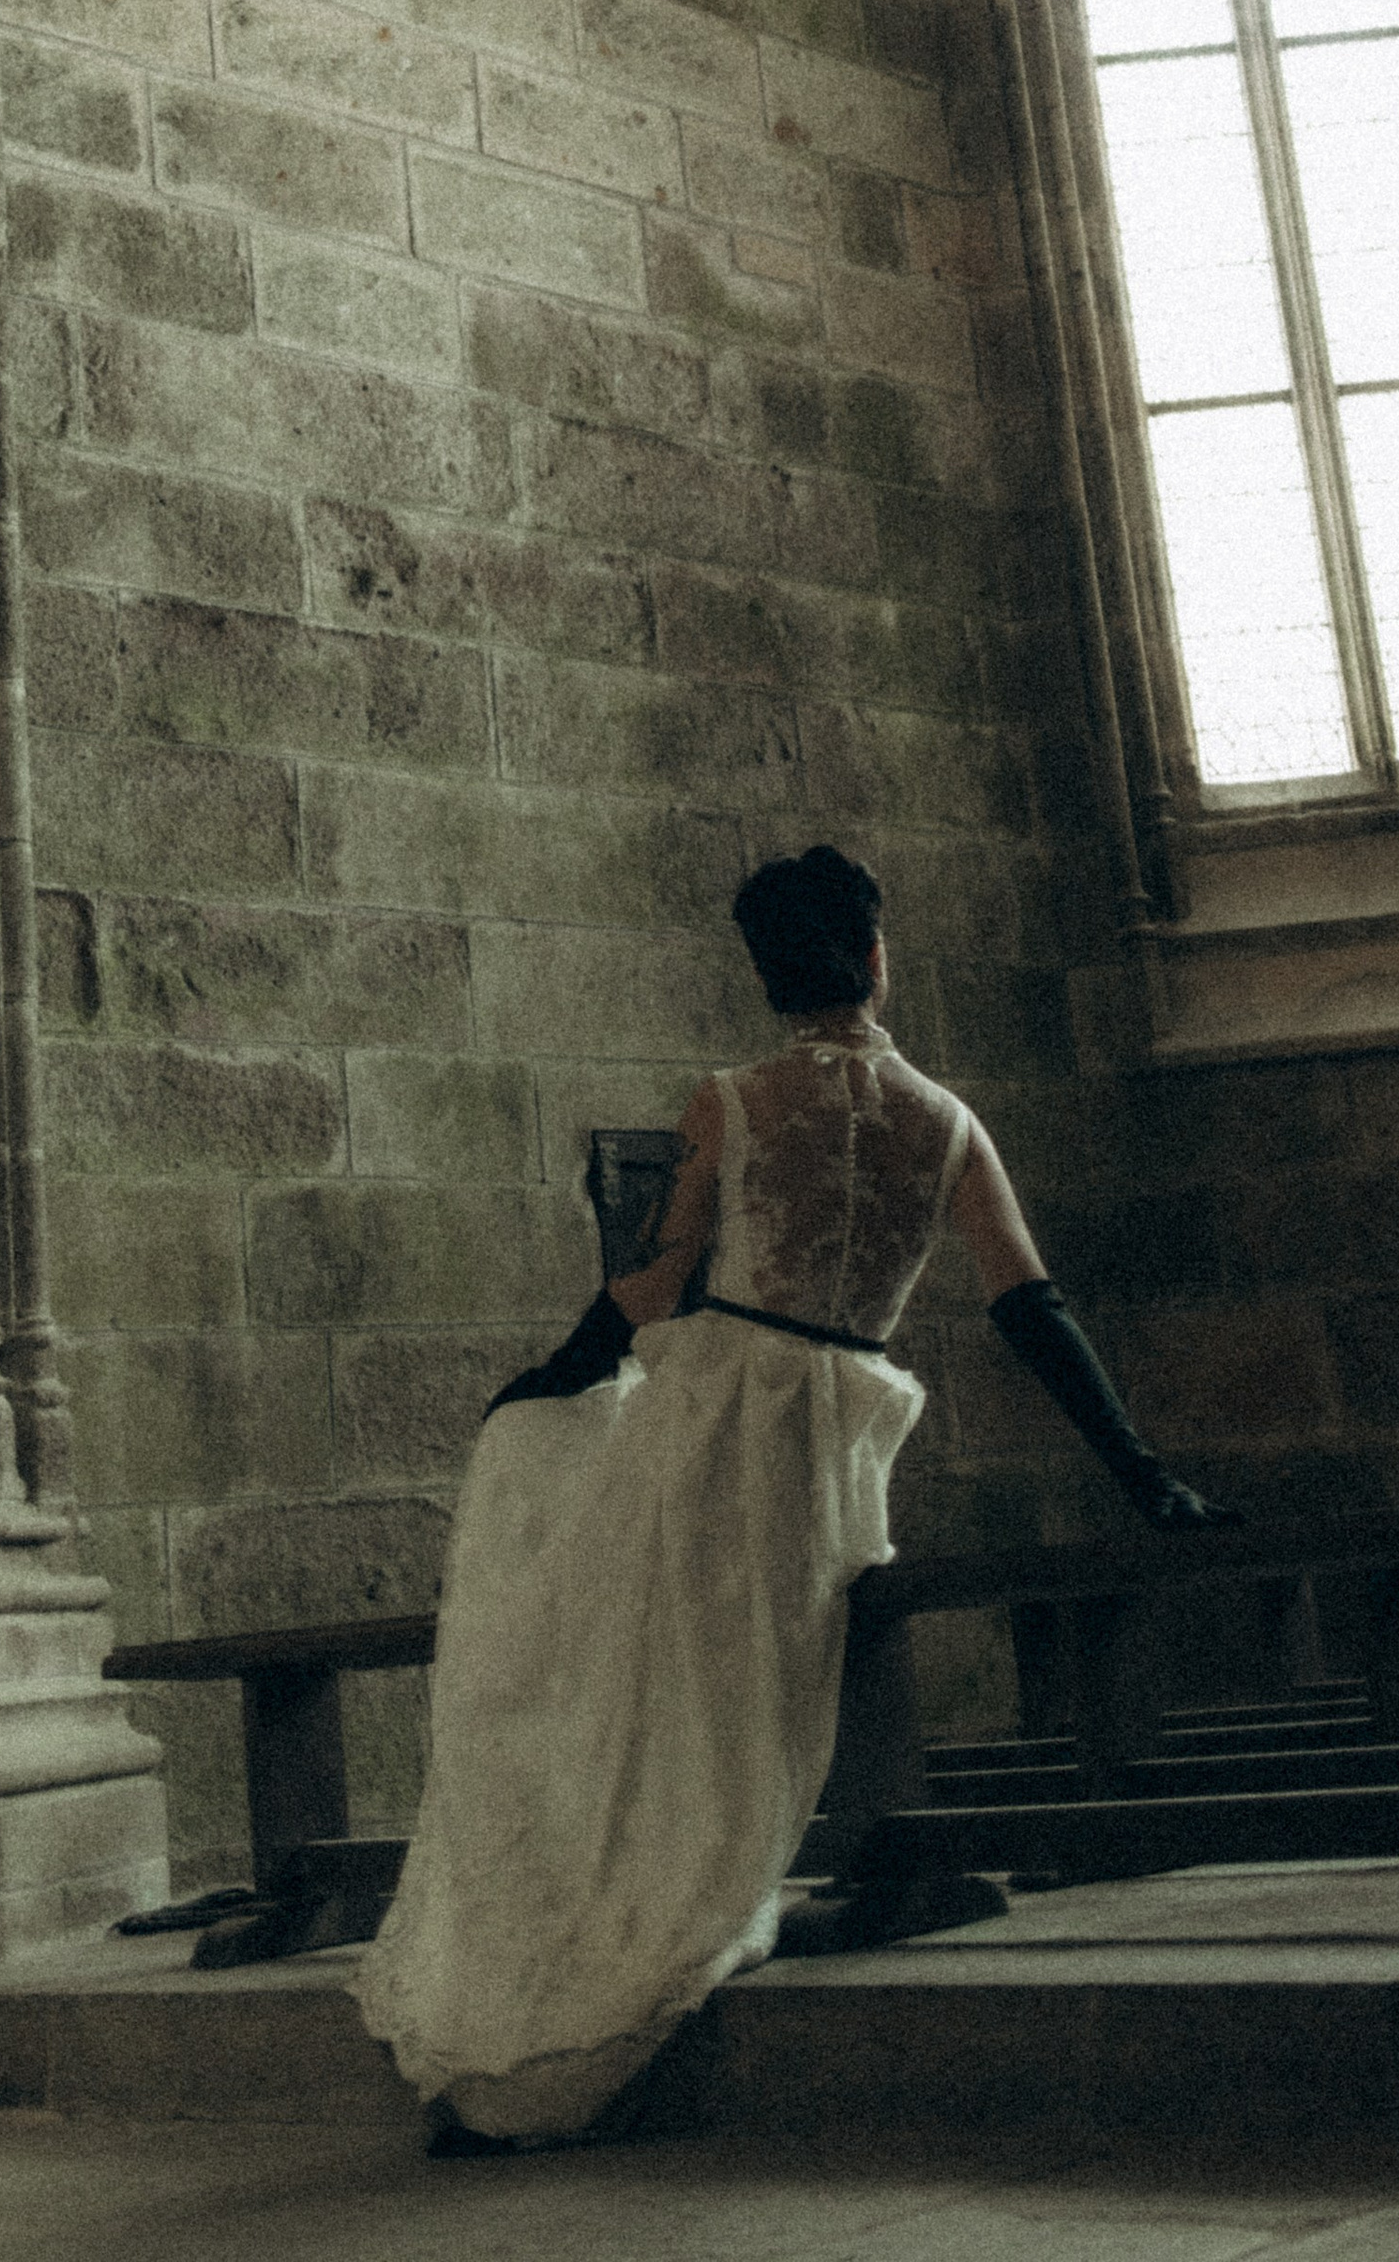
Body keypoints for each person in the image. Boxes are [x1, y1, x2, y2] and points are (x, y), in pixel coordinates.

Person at [352, 845, 1235, 2154]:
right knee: (728, 1708)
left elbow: (652, 1292)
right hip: (834, 1437)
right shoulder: (946, 1121)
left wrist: (544, 1382)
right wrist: (1142, 1471)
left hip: (714, 1416)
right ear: (877, 959)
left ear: (770, 976)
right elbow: (1031, 1311)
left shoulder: (733, 1100)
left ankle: (548, 2011)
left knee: (618, 1690)